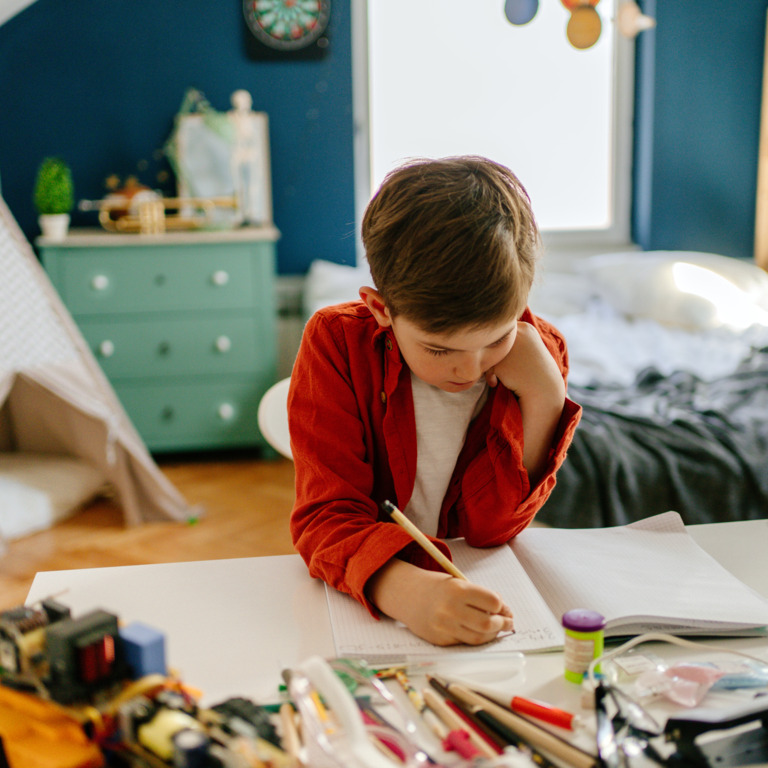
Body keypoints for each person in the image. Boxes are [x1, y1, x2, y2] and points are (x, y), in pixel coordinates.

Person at [288, 156, 581, 647]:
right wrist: (403, 591)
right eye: (439, 349)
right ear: (381, 309)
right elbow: (325, 518)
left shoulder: (539, 353)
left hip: (477, 592)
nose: (469, 371)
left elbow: (491, 528)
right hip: (367, 606)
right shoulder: (335, 343)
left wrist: (546, 396)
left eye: (496, 339)